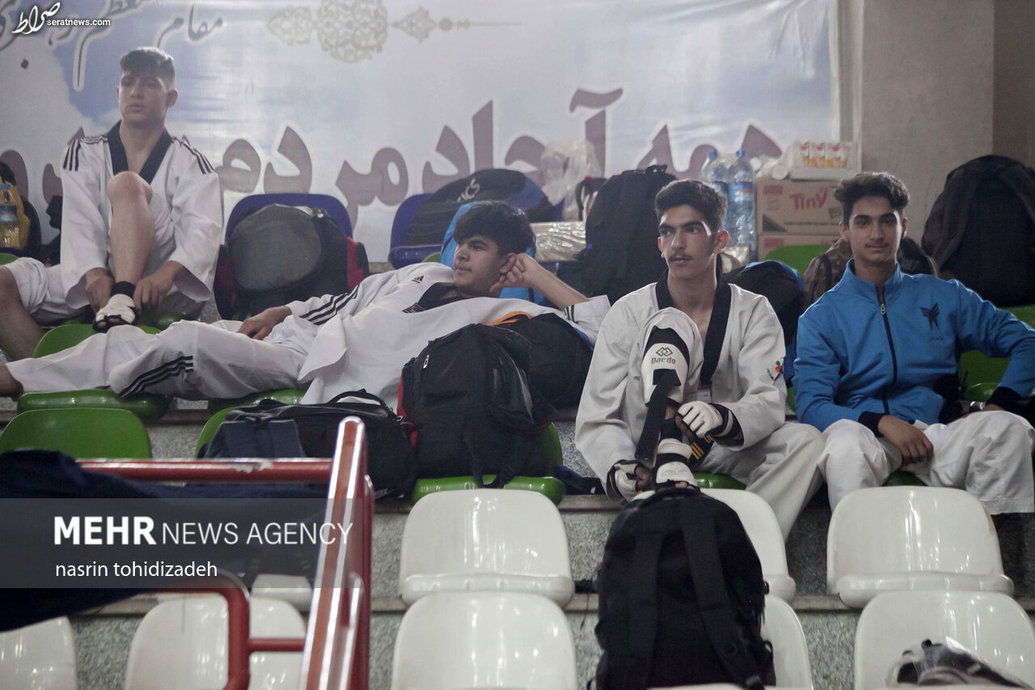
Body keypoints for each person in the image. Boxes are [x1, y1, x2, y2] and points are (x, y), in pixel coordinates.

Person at [0, 201, 609, 405]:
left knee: (183, 344)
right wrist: (283, 311)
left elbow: (601, 331)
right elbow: (346, 298)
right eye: (464, 244)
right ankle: (18, 376)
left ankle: (45, 387)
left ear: (507, 262)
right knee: (139, 336)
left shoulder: (506, 317)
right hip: (295, 336)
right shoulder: (424, 272)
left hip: (314, 368)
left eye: (480, 248)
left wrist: (536, 274)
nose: (463, 255)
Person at [575, 180, 822, 538]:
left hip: (722, 442)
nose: (677, 243)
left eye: (691, 229)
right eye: (667, 232)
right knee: (669, 323)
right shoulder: (628, 312)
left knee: (807, 443)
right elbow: (597, 414)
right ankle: (669, 451)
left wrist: (723, 416)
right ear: (659, 244)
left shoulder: (754, 311)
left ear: (719, 240)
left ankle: (743, 543)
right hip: (650, 449)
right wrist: (620, 466)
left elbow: (768, 399)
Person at [794, 172, 1035, 514]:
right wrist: (881, 421)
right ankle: (861, 547)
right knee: (843, 444)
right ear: (844, 230)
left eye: (887, 221)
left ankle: (987, 540)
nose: (876, 234)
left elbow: (1027, 342)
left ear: (903, 227)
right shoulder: (821, 316)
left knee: (1010, 428)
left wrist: (1000, 404)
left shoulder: (943, 295)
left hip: (936, 433)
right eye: (863, 222)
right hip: (865, 435)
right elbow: (811, 405)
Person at [0, 47, 221, 361]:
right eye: (128, 82)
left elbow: (202, 233)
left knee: (127, 184)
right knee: (3, 284)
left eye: (149, 84)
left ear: (171, 98)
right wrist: (93, 275)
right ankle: (56, 376)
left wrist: (166, 274)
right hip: (97, 277)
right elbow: (81, 225)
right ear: (118, 93)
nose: (136, 92)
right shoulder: (84, 152)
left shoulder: (190, 163)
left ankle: (123, 295)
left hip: (162, 285)